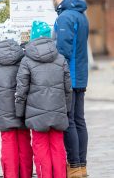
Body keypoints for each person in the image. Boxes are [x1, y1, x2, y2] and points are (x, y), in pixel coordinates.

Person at [15, 22, 72, 178]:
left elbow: (21, 90)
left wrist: (20, 112)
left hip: (36, 115)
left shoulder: (27, 60)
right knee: (58, 148)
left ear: (33, 37)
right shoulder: (60, 59)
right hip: (58, 112)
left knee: (40, 150)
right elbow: (68, 88)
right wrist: (66, 109)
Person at [49, 0, 89, 178]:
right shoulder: (81, 15)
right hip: (81, 75)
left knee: (69, 121)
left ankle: (73, 165)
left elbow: (62, 50)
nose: (52, 1)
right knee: (79, 120)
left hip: (69, 76)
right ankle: (81, 166)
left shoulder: (65, 17)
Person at [0, 39, 33, 178]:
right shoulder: (23, 58)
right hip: (22, 107)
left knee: (8, 143)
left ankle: (11, 175)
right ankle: (26, 174)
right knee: (24, 142)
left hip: (2, 110)